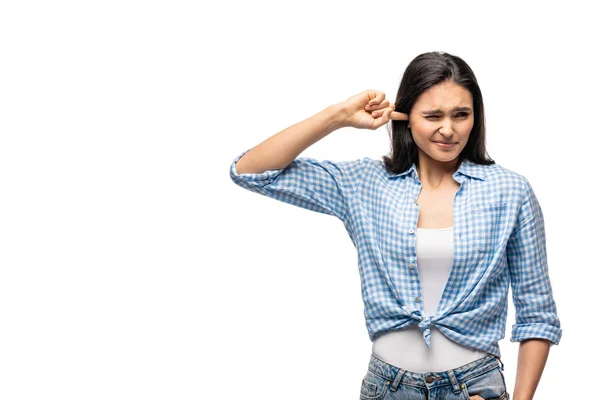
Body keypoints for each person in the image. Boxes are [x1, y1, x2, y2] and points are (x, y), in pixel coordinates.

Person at [229, 51, 562, 400]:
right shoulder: (364, 183)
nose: (448, 129)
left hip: (474, 388)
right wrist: (339, 116)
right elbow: (249, 172)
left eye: (461, 115)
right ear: (404, 117)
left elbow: (537, 312)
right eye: (433, 116)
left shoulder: (510, 191)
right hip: (387, 387)